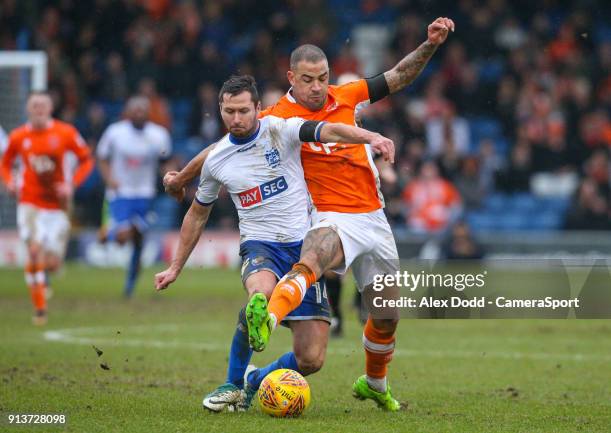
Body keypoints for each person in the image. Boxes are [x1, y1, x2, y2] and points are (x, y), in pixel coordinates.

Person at [164, 17, 455, 411]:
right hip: (329, 215)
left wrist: (430, 44)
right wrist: (182, 177)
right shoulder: (276, 117)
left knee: (384, 316)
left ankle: (373, 383)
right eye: (308, 79)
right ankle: (264, 320)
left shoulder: (348, 95)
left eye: (322, 77)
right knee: (315, 255)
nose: (317, 87)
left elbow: (399, 75)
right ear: (291, 77)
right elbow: (221, 148)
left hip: (374, 216)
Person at [154, 75, 394, 412]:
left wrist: (369, 136)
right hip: (260, 246)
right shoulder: (218, 160)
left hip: (304, 246)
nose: (235, 120)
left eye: (242, 111)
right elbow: (197, 214)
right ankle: (232, 385)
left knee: (311, 359)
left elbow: (329, 130)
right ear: (220, 111)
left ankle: (256, 380)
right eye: (228, 112)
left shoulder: (281, 129)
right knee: (260, 295)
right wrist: (176, 266)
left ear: (257, 109)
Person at [0, 92, 94, 325]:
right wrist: (9, 182)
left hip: (58, 206)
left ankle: (44, 276)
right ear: (27, 109)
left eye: (43, 104)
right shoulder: (19, 136)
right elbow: (5, 163)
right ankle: (40, 308)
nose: (39, 108)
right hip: (30, 202)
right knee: (33, 251)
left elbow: (87, 159)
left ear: (51, 107)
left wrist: (71, 184)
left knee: (51, 263)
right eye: (34, 105)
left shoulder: (65, 132)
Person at [97, 96, 173, 297]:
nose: (139, 113)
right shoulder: (115, 132)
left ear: (148, 112)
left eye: (143, 110)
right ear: (128, 112)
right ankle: (108, 234)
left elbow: (165, 161)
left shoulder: (158, 135)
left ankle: (129, 287)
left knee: (138, 240)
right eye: (135, 110)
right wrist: (109, 179)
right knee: (123, 236)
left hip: (144, 195)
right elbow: (102, 157)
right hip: (120, 194)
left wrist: (173, 177)